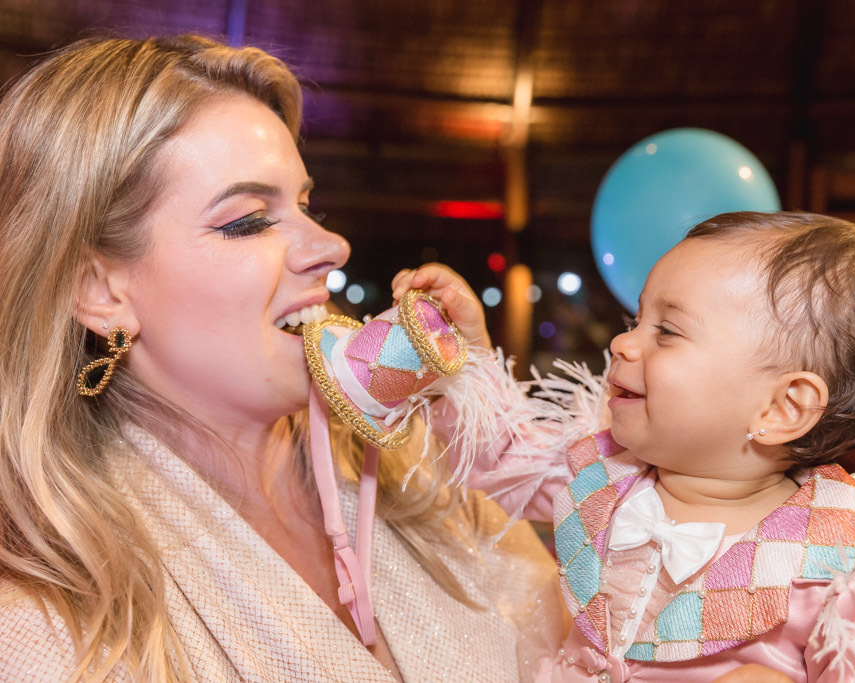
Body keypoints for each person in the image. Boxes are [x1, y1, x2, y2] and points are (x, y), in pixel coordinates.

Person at [0, 35, 564, 681]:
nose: (332, 244)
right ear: (99, 291)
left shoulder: (432, 483)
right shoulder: (42, 629)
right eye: (246, 221)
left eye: (304, 205)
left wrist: (480, 417)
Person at [392, 212, 855, 682]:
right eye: (634, 320)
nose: (623, 344)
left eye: (666, 330)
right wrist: (466, 354)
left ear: (780, 408)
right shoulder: (603, 478)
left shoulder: (850, 569)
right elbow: (498, 453)